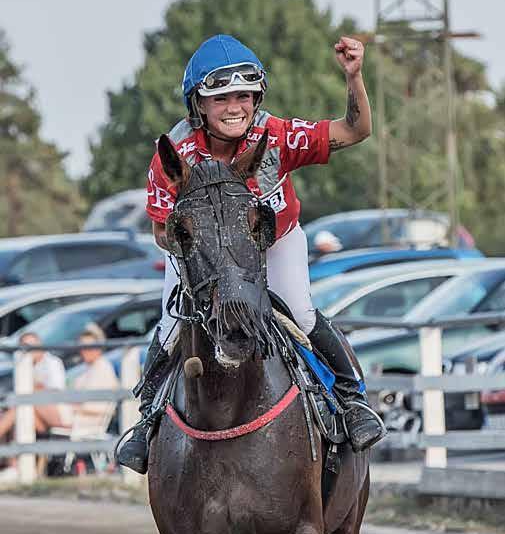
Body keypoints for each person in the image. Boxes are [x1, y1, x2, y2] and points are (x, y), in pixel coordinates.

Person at [118, 33, 385, 473]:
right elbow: (161, 231)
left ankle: (352, 402)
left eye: (243, 95)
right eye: (220, 98)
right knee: (169, 327)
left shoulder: (276, 135)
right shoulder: (173, 152)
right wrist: (201, 255)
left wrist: (353, 77)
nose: (234, 107)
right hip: (201, 255)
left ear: (257, 96)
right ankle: (147, 421)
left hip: (273, 242)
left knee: (299, 312)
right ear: (198, 105)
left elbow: (356, 130)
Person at [0, 330, 72, 444]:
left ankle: (12, 457)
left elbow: (55, 392)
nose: (29, 350)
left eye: (31, 345)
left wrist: (35, 389)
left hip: (57, 414)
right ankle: (13, 460)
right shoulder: (24, 364)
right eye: (25, 347)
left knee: (18, 409)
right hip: (37, 413)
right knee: (18, 413)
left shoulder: (53, 363)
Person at [70, 324, 119, 438]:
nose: (85, 351)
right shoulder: (89, 368)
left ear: (99, 348)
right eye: (82, 347)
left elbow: (98, 407)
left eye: (89, 347)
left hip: (85, 421)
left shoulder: (102, 369)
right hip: (78, 416)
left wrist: (72, 406)